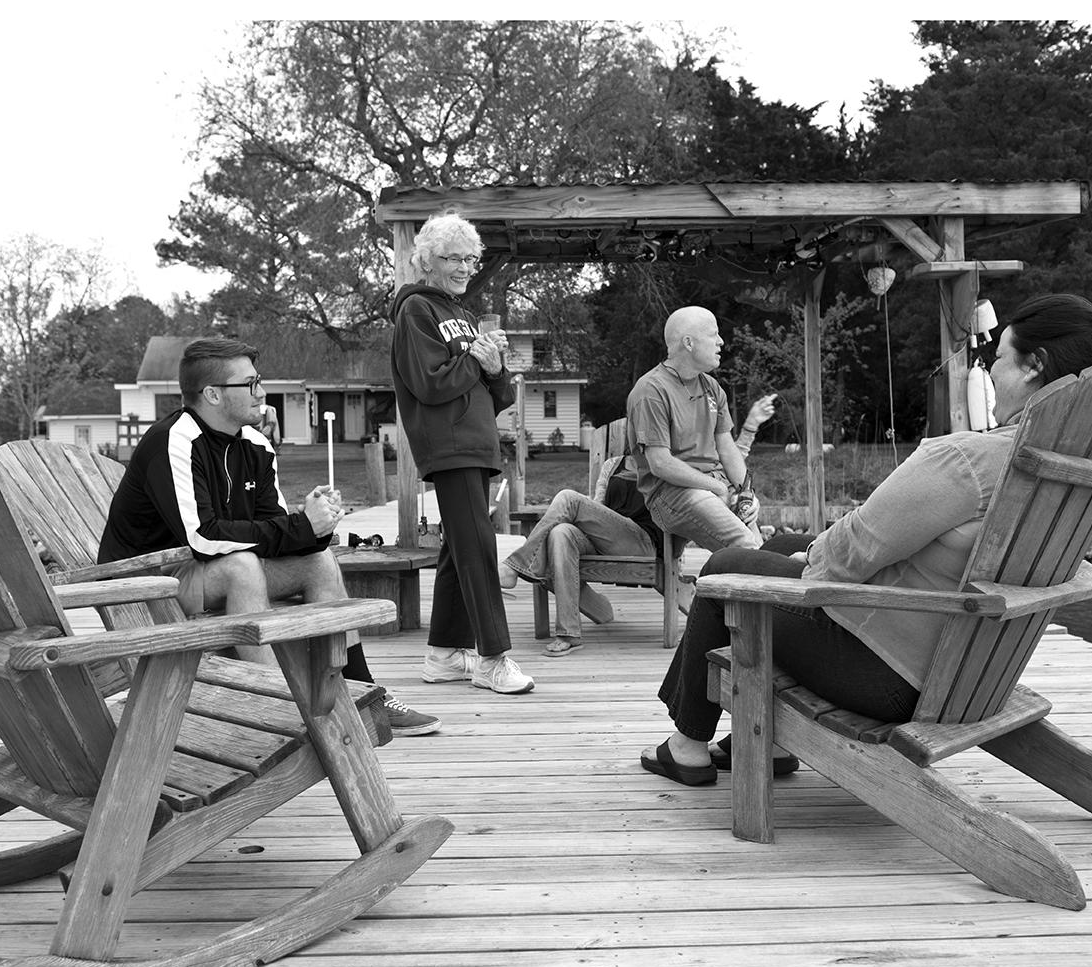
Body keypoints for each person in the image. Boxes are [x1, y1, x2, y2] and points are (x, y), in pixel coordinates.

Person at [640, 292, 1092, 785]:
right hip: (967, 667)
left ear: (1033, 367)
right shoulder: (1071, 466)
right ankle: (765, 742)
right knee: (772, 551)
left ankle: (687, 745)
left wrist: (810, 561)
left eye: (998, 358)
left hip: (886, 674)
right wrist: (802, 555)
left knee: (726, 567)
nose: (990, 372)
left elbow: (854, 550)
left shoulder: (969, 460)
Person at [97, 335, 440, 736]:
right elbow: (202, 537)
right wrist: (297, 527)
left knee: (317, 561)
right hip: (151, 581)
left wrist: (314, 528)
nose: (263, 393)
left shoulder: (256, 445)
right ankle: (272, 706)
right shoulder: (175, 440)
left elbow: (276, 534)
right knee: (241, 567)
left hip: (207, 571)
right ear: (212, 394)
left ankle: (361, 693)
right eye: (251, 384)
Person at [498, 395, 779, 656]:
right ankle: (569, 633)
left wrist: (751, 426)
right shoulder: (612, 465)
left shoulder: (673, 467)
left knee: (568, 498)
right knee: (561, 531)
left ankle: (517, 566)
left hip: (646, 543)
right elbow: (597, 507)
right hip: (606, 538)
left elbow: (730, 466)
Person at [390, 211, 535, 694]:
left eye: (471, 260)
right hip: (448, 446)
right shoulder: (415, 311)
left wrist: (493, 366)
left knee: (458, 548)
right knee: (478, 547)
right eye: (454, 258)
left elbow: (500, 398)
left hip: (477, 443)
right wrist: (473, 357)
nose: (465, 268)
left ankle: (444, 655)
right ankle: (494, 657)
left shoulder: (464, 315)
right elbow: (430, 385)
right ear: (428, 260)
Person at [626, 306, 764, 553]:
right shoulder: (651, 391)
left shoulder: (711, 387)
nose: (721, 342)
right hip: (672, 493)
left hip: (714, 487)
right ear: (689, 343)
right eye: (713, 335)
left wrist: (746, 492)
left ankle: (722, 590)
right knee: (745, 546)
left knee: (760, 549)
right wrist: (717, 488)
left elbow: (726, 448)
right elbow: (660, 464)